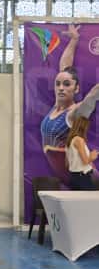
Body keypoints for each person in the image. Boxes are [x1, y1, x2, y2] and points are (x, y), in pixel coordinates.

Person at [40, 23, 99, 183]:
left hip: (86, 178)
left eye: (67, 85)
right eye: (58, 84)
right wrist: (74, 40)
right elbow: (64, 68)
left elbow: (92, 96)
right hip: (68, 177)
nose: (61, 88)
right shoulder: (56, 107)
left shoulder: (74, 113)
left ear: (76, 88)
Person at [65, 116, 98, 190]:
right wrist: (92, 156)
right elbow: (85, 161)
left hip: (75, 176)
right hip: (82, 177)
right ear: (83, 127)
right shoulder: (79, 140)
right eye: (87, 127)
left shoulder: (70, 140)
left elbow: (67, 162)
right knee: (89, 197)